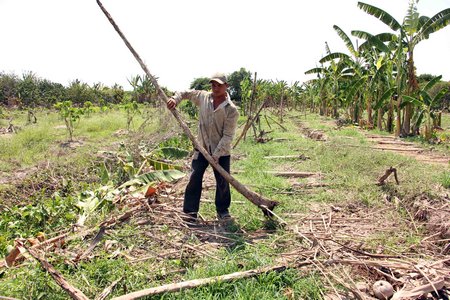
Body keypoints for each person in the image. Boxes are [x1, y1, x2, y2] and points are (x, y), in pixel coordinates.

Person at [166, 73, 239, 221]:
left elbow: (228, 136)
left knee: (222, 181)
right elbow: (186, 93)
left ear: (227, 86)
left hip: (221, 152)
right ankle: (190, 212)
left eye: (219, 85)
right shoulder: (203, 97)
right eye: (213, 85)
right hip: (202, 148)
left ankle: (223, 211)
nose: (216, 88)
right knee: (195, 176)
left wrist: (217, 154)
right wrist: (175, 99)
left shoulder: (231, 110)